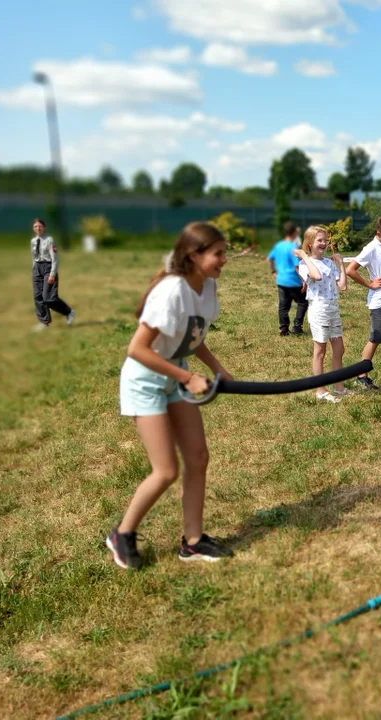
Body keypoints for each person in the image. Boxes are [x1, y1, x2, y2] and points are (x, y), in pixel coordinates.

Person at [107, 222, 234, 570]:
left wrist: (218, 368)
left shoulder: (206, 287)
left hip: (174, 373)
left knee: (198, 456)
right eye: (218, 253)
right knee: (165, 470)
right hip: (145, 380)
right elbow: (137, 349)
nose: (225, 260)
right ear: (194, 255)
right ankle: (122, 534)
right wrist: (189, 376)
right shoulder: (171, 290)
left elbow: (194, 334)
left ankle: (192, 543)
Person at [346, 216, 381, 389]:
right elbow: (350, 270)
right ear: (379, 233)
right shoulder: (370, 249)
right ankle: (361, 375)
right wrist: (370, 284)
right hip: (379, 301)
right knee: (376, 338)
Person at [294, 226, 348, 403]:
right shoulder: (304, 264)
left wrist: (341, 265)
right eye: (319, 240)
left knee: (339, 348)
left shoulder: (329, 263)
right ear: (310, 243)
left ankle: (338, 387)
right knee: (320, 351)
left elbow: (343, 286)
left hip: (333, 308)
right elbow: (316, 276)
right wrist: (304, 256)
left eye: (326, 240)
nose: (324, 243)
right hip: (319, 309)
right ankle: (321, 390)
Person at [30, 218, 75, 331]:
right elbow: (33, 257)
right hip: (37, 268)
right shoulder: (33, 241)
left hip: (48, 267)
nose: (38, 228)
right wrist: (34, 270)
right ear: (33, 228)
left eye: (40, 226)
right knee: (38, 297)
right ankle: (44, 322)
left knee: (48, 298)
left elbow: (55, 258)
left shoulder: (49, 240)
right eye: (36, 226)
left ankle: (68, 312)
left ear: (44, 228)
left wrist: (52, 274)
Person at [267, 221, 307, 336]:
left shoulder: (278, 245)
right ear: (295, 232)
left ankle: (284, 329)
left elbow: (270, 258)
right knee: (303, 302)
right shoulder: (293, 248)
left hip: (281, 280)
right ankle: (297, 326)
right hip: (294, 281)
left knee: (283, 306)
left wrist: (273, 271)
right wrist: (304, 280)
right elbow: (296, 266)